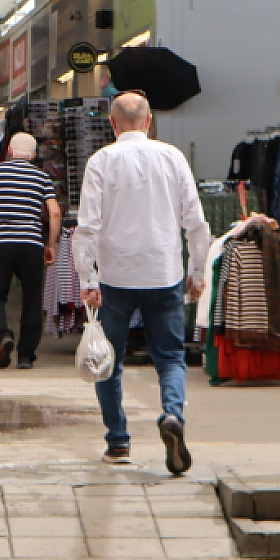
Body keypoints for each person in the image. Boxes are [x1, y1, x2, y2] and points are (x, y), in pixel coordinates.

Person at [74, 93, 210, 473]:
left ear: (112, 124)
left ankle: (118, 442)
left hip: (115, 277)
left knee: (107, 360)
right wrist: (197, 273)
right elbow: (196, 224)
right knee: (170, 356)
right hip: (163, 273)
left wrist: (88, 277)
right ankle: (171, 415)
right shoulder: (173, 157)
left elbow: (87, 226)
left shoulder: (101, 161)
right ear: (149, 121)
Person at [0, 135, 60, 370]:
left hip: (0, 243)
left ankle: (3, 336)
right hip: (31, 245)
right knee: (32, 297)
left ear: (9, 150)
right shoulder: (42, 177)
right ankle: (26, 355)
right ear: (33, 155)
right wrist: (50, 244)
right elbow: (54, 213)